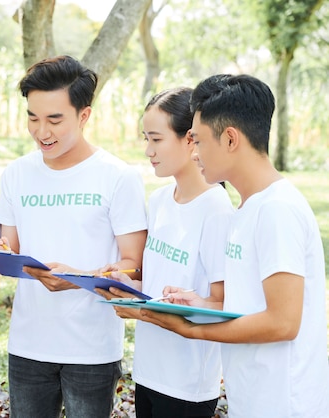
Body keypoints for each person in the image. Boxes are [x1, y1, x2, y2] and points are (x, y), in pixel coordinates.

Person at [128, 74, 329, 418]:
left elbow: (283, 322)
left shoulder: (277, 210)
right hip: (250, 398)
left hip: (286, 404)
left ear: (231, 139)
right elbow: (250, 305)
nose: (196, 152)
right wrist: (200, 304)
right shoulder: (246, 209)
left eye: (200, 141)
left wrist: (194, 329)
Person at [0, 55, 148, 418]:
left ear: (84, 116)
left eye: (55, 119)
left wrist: (77, 280)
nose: (42, 131)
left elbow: (134, 268)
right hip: (28, 345)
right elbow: (14, 251)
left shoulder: (117, 177)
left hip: (91, 350)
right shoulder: (16, 174)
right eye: (33, 117)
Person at [98, 87, 234, 418]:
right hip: (147, 371)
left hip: (187, 385)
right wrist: (125, 284)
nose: (148, 150)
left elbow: (221, 303)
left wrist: (142, 311)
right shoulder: (159, 200)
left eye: (156, 139)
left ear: (190, 140)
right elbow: (155, 278)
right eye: (146, 139)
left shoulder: (216, 208)